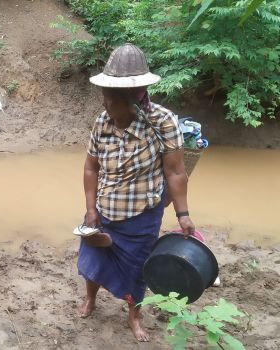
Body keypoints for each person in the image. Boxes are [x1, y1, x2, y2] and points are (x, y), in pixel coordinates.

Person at [77, 43, 196, 342]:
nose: (104, 105)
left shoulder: (162, 123)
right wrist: (91, 210)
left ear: (133, 100)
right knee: (93, 259)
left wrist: (183, 215)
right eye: (103, 97)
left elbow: (176, 172)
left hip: (141, 216)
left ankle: (134, 316)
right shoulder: (102, 122)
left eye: (110, 100)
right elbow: (91, 168)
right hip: (103, 209)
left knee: (136, 271)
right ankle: (90, 298)